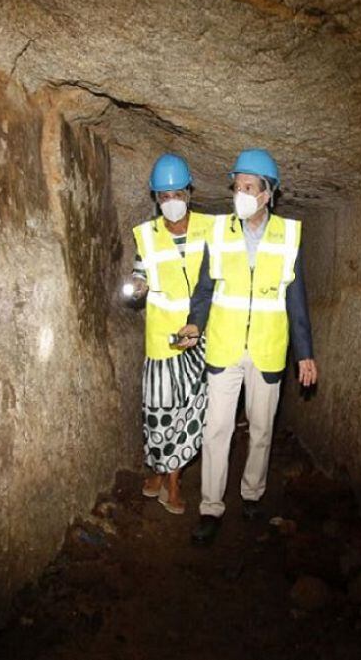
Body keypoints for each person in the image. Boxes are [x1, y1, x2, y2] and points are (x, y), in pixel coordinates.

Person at [174, 148, 318, 545]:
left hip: (268, 350)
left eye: (249, 187)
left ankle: (252, 494)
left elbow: (296, 299)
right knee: (216, 429)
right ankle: (210, 507)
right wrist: (193, 323)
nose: (241, 192)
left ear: (267, 193)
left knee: (261, 430)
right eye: (237, 186)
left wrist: (304, 353)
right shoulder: (219, 232)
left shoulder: (289, 235)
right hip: (224, 348)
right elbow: (204, 291)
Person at [128, 153, 213, 515]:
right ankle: (160, 471)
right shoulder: (147, 236)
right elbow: (140, 274)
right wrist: (137, 286)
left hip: (199, 341)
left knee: (190, 414)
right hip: (162, 343)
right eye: (164, 197)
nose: (172, 202)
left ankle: (173, 482)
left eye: (178, 193)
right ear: (155, 199)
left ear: (190, 191)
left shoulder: (213, 229)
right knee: (158, 413)